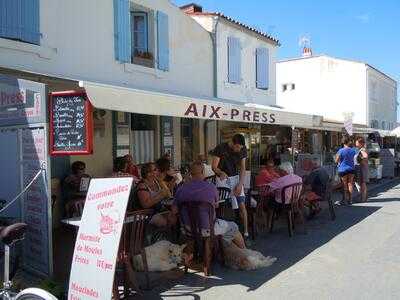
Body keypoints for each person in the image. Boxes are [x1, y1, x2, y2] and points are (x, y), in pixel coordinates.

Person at [173, 161, 246, 249]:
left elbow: (174, 210)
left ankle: (212, 247)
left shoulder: (181, 189)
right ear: (203, 172)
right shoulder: (211, 188)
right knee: (234, 227)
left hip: (187, 229)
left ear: (190, 173)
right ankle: (237, 250)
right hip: (207, 229)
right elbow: (216, 206)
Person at [211, 134, 250, 240]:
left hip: (236, 178)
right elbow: (214, 166)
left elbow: (243, 168)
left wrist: (240, 184)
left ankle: (245, 232)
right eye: (237, 147)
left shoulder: (242, 149)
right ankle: (221, 232)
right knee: (222, 204)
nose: (238, 149)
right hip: (222, 179)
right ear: (232, 142)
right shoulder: (220, 148)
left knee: (242, 205)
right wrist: (220, 172)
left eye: (240, 148)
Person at [134, 162, 176, 228]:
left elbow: (168, 195)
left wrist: (165, 184)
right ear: (145, 173)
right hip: (147, 214)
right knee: (166, 221)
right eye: (150, 172)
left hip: (159, 210)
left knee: (175, 218)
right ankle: (163, 236)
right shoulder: (142, 185)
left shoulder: (156, 182)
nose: (153, 173)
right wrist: (161, 195)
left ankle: (168, 237)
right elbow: (145, 204)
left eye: (155, 170)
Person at [336, 137, 356, 205]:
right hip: (351, 169)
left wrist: (339, 161)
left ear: (343, 143)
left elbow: (336, 160)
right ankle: (350, 200)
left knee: (344, 185)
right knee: (350, 184)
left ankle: (344, 200)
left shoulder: (341, 150)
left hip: (343, 169)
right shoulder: (353, 150)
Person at [355, 137, 369, 202]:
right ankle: (363, 198)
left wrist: (361, 160)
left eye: (356, 142)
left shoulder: (362, 150)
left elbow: (365, 156)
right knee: (363, 183)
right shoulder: (362, 149)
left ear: (360, 143)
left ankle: (363, 198)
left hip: (362, 168)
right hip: (363, 168)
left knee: (362, 183)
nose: (356, 143)